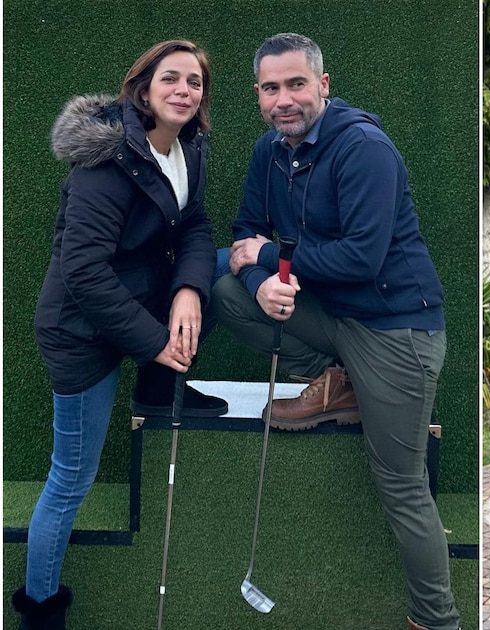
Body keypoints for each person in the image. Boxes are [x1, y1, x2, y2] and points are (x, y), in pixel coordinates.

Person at [212, 33, 459, 630]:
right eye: (271, 89)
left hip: (397, 332)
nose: (284, 100)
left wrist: (267, 256)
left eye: (297, 84)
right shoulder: (268, 151)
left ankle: (438, 619)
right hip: (335, 320)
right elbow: (245, 232)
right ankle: (334, 380)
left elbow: (360, 260)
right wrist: (261, 285)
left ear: (323, 84)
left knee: (400, 484)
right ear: (258, 95)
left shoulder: (363, 147)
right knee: (225, 288)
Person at [13, 39, 226, 629]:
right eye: (172, 79)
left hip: (142, 294)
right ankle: (38, 608)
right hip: (81, 331)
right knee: (71, 477)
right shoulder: (105, 164)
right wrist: (157, 342)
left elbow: (197, 227)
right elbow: (82, 272)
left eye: (195, 82)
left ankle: (158, 389)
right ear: (143, 88)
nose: (185, 90)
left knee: (227, 269)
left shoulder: (189, 149)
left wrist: (187, 290)